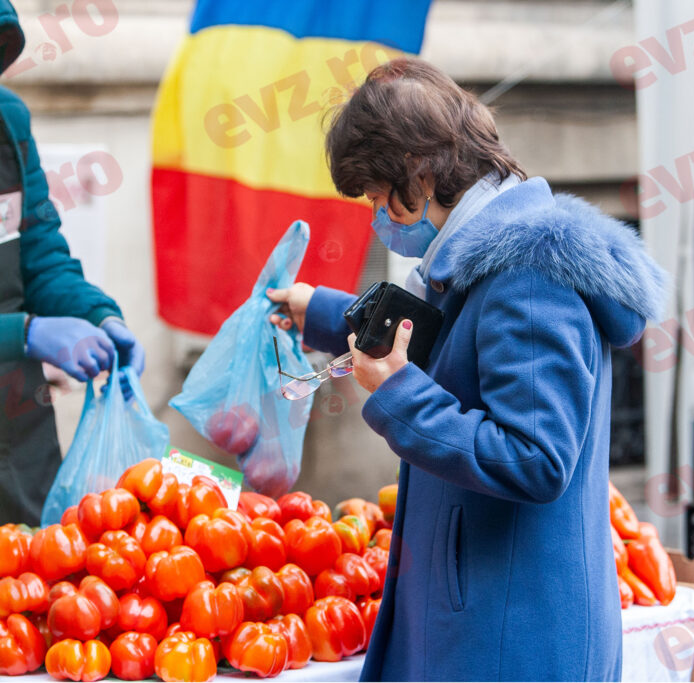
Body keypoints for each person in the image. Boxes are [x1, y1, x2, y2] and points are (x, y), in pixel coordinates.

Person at [268, 57, 667, 681]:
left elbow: (535, 457)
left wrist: (398, 395)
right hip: (489, 616)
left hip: (513, 637)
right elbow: (444, 341)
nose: (378, 219)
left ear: (421, 174)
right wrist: (318, 311)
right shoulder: (489, 258)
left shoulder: (529, 279)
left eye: (380, 199)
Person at [0, 0, 144, 526]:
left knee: (33, 585)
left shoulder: (5, 120)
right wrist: (23, 334)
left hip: (16, 428)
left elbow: (42, 255)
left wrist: (100, 316)